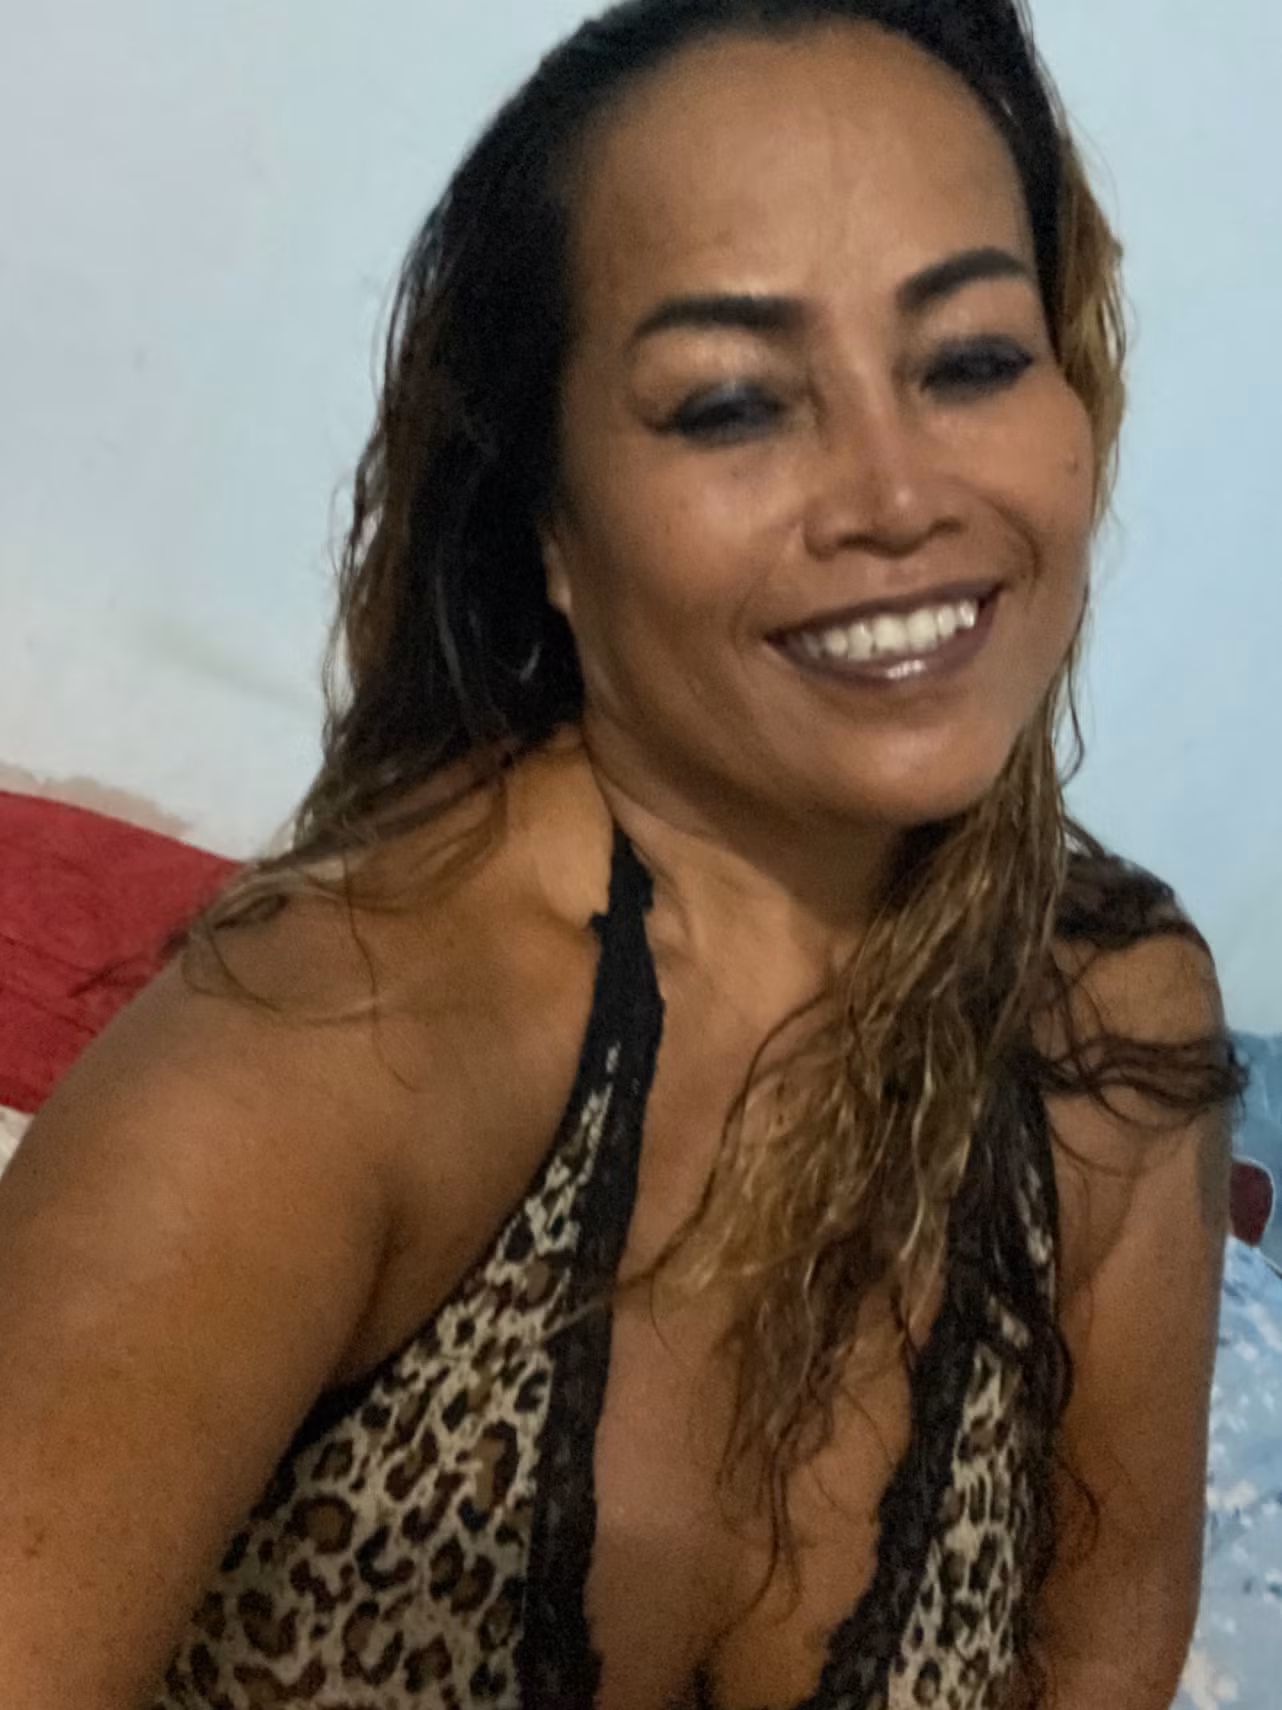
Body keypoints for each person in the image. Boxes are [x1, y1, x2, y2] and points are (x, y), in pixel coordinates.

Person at [0, 2, 1245, 1706]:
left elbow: (1104, 1647)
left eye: (967, 361)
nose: (896, 495)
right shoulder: (323, 1059)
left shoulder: (1109, 1030)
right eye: (730, 403)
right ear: (550, 524)